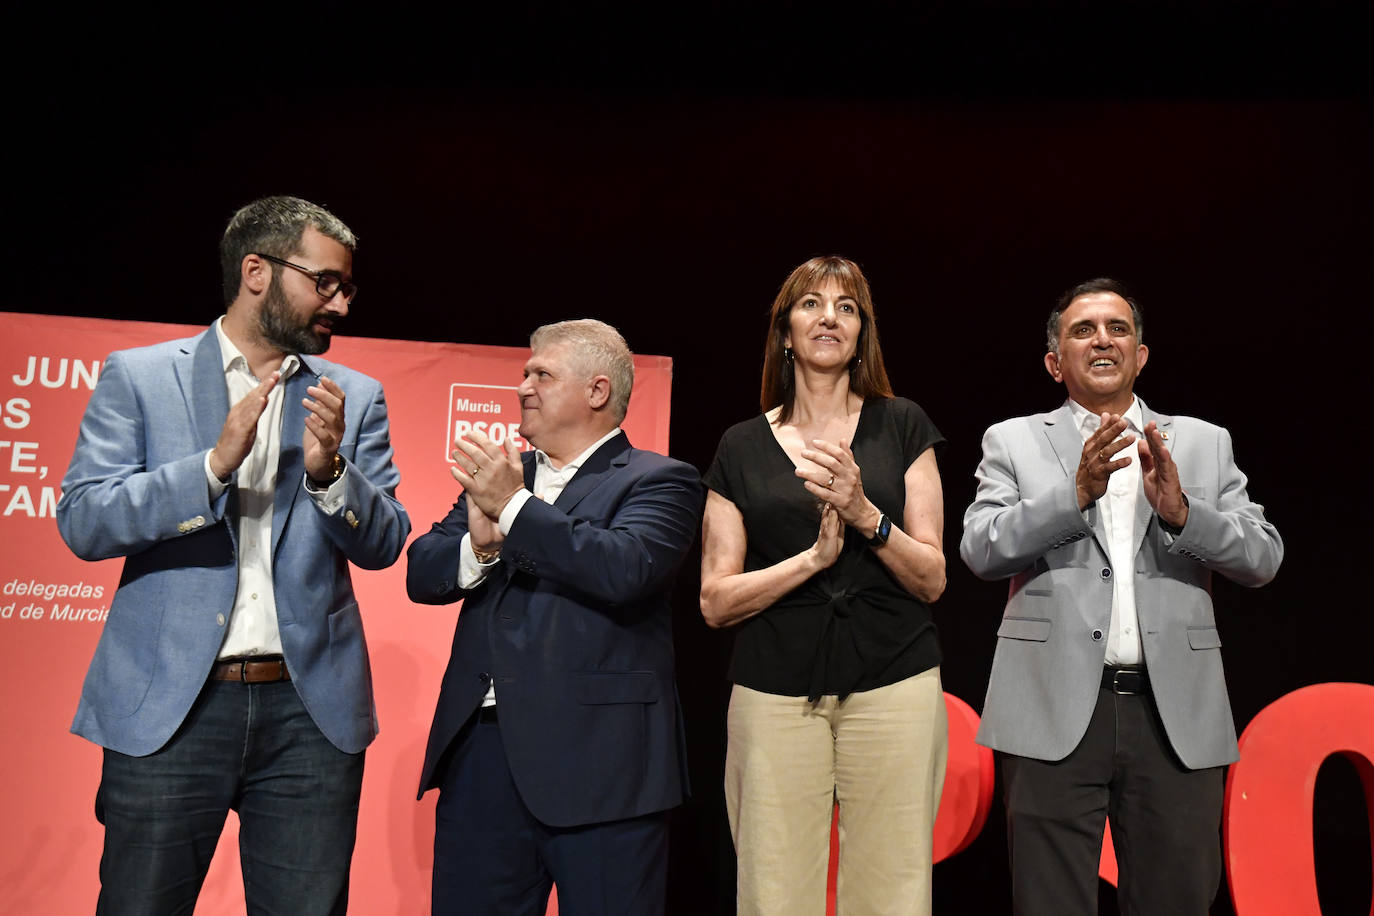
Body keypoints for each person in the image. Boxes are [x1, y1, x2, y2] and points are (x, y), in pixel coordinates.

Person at [56, 195, 411, 914]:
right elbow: (85, 522)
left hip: (308, 716)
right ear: (258, 271)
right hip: (170, 708)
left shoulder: (355, 398)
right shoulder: (141, 377)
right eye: (326, 283)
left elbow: (384, 543)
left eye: (345, 286)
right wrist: (210, 468)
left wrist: (329, 474)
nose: (340, 304)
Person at [960, 277, 1283, 914]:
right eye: (1083, 330)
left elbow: (1263, 556)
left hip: (1174, 716)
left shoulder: (1201, 441)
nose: (1102, 339)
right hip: (1051, 709)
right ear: (1056, 362)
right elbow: (981, 548)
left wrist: (1185, 514)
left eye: (1118, 328)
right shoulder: (1014, 440)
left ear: (1140, 355)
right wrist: (1071, 496)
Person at [406, 318, 703, 916]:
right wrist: (482, 546)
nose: (522, 386)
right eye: (523, 372)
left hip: (604, 767)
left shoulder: (660, 480)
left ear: (597, 391)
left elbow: (625, 568)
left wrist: (514, 508)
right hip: (484, 759)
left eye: (542, 373)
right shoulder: (507, 476)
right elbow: (423, 570)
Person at [699, 256, 949, 916]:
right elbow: (714, 600)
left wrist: (867, 515)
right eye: (810, 304)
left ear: (862, 332)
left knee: (892, 889)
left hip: (895, 676)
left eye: (846, 307)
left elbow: (933, 577)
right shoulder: (740, 446)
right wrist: (811, 560)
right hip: (773, 684)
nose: (828, 317)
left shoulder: (903, 425)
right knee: (772, 889)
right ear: (784, 332)